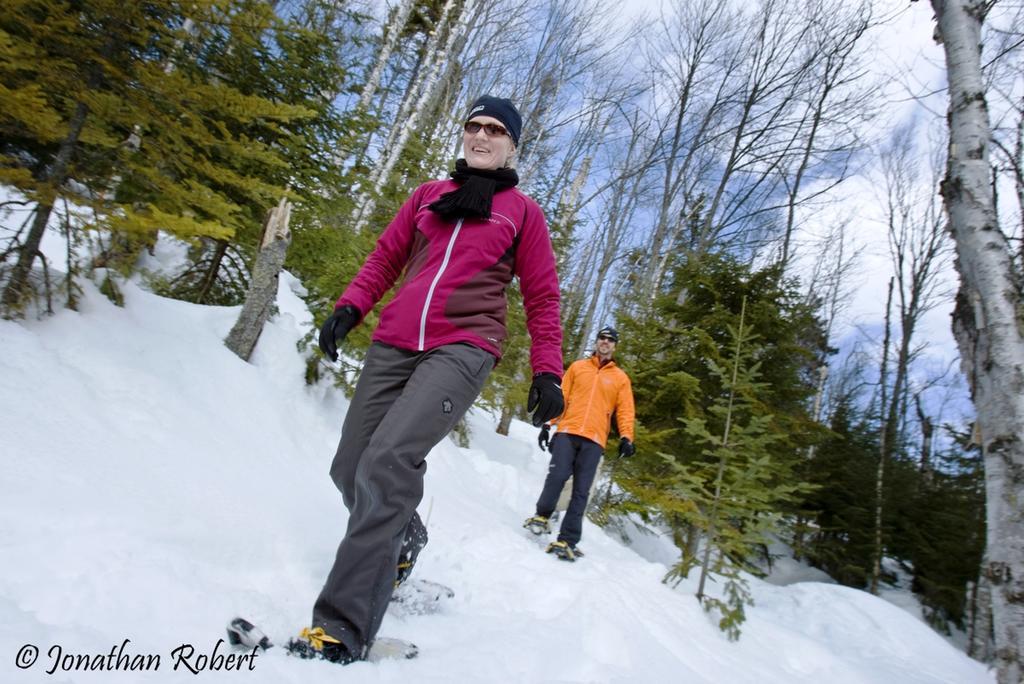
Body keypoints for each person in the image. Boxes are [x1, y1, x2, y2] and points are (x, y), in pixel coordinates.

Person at [296, 95, 565, 664]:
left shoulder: (522, 212)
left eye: (495, 130)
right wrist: (351, 307)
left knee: (387, 460)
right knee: (349, 464)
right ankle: (403, 540)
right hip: (395, 340)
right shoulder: (427, 196)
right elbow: (385, 258)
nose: (481, 136)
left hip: (464, 346)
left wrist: (548, 371)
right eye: (473, 126)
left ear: (512, 143)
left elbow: (542, 297)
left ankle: (341, 628)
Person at [523, 326, 635, 561]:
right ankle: (542, 516)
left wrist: (627, 437)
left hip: (595, 440)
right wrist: (547, 425)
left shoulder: (620, 379)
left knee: (581, 491)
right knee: (556, 476)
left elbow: (625, 410)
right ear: (596, 342)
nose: (605, 342)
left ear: (615, 346)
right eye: (602, 338)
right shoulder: (578, 368)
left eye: (610, 340)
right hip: (568, 431)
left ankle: (568, 539)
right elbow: (561, 397)